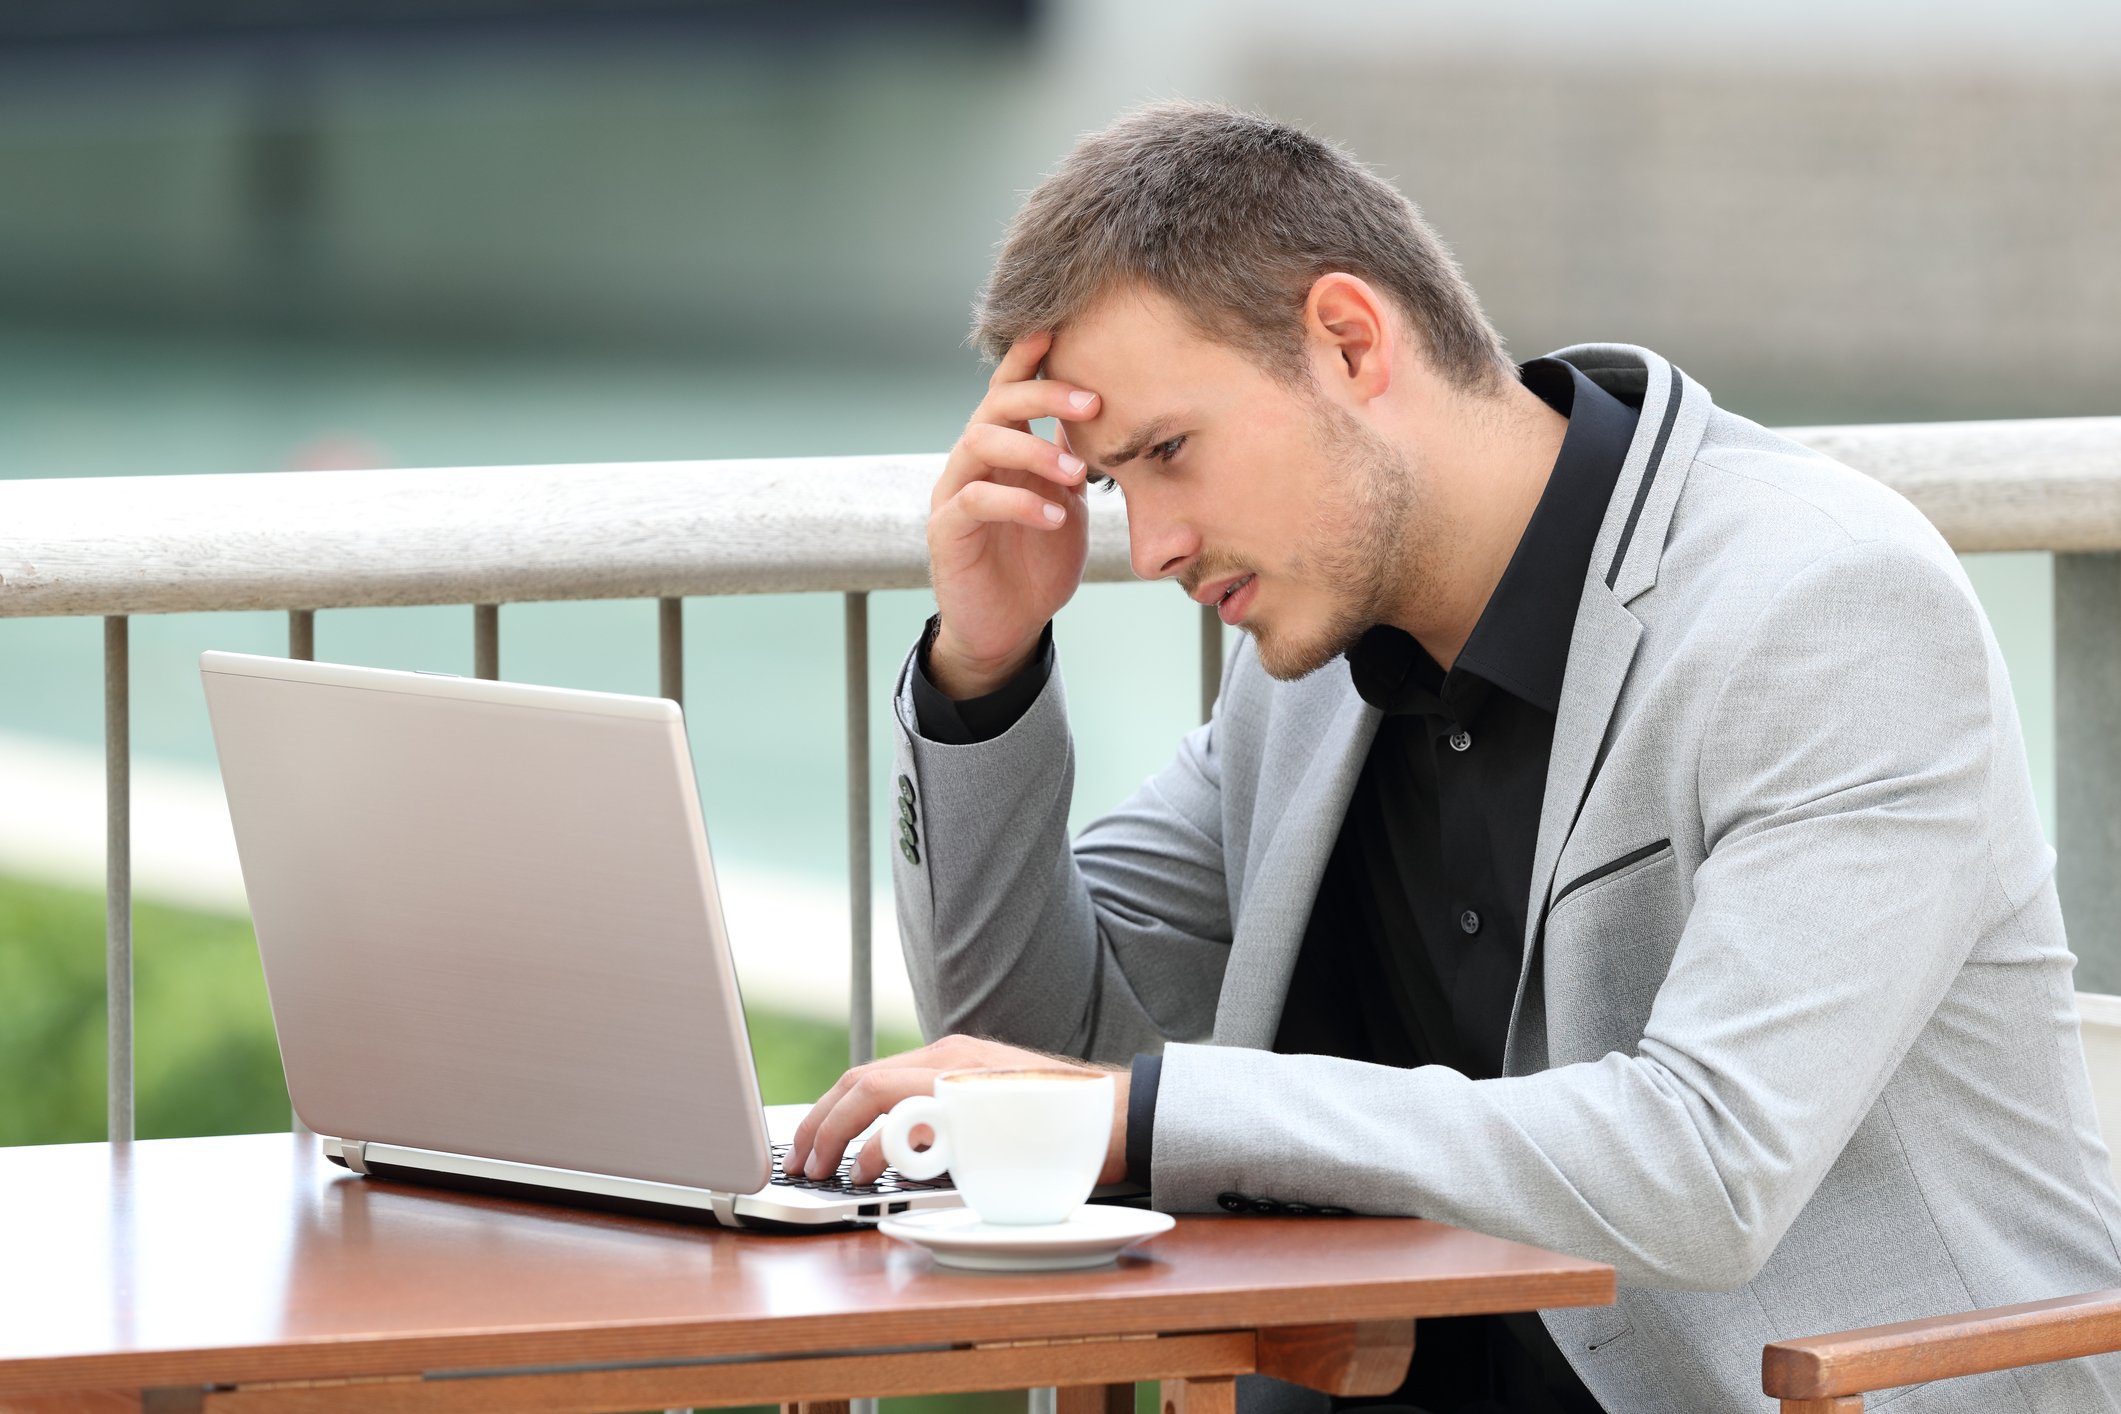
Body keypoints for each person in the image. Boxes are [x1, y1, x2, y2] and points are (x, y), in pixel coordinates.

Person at [783, 101, 2121, 1412]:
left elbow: (1704, 1165)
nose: (1160, 543)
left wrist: (1146, 1117)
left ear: (1349, 342)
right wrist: (984, 664)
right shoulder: (1302, 674)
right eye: (1120, 485)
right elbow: (1036, 1047)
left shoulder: (1820, 608)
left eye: (1169, 454)